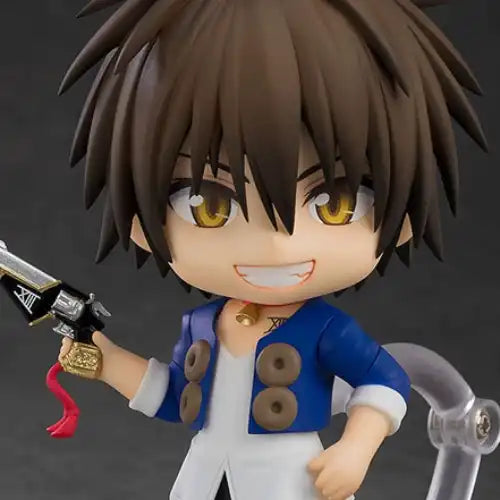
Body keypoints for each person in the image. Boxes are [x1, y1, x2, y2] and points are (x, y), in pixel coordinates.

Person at [58, 0, 486, 499]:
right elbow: (176, 397)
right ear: (139, 220)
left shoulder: (324, 329)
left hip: (290, 480)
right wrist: (107, 362)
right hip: (205, 477)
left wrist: (356, 448)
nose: (277, 245)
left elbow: (384, 381)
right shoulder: (202, 325)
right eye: (209, 205)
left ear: (404, 215)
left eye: (334, 204)